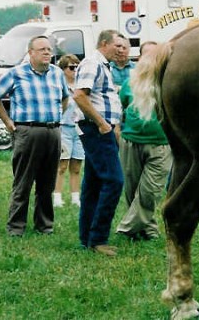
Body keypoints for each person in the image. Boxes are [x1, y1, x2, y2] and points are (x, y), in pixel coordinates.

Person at [0, 35, 69, 237]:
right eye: (42, 49)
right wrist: (7, 121)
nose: (47, 53)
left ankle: (44, 225)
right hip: (27, 131)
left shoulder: (57, 74)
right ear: (30, 53)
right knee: (23, 182)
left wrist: (56, 117)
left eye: (49, 49)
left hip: (52, 131)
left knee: (47, 183)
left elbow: (65, 98)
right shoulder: (16, 74)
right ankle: (16, 227)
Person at [73, 29, 125, 256]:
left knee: (93, 184)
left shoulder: (103, 65)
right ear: (104, 43)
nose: (121, 50)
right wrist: (102, 123)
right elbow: (79, 95)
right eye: (117, 46)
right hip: (95, 129)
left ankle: (87, 238)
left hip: (101, 128)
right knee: (114, 181)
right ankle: (99, 239)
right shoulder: (93, 63)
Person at [116, 41, 173, 240]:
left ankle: (125, 228)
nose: (150, 60)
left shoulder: (169, 82)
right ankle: (148, 231)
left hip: (160, 144)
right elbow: (122, 106)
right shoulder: (129, 83)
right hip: (131, 141)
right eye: (146, 55)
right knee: (132, 191)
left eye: (154, 55)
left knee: (150, 191)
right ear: (139, 59)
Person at [53, 54, 84, 208]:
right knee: (62, 165)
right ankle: (57, 197)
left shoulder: (82, 86)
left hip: (79, 128)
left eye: (77, 67)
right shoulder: (59, 86)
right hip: (64, 127)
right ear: (63, 69)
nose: (75, 70)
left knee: (77, 165)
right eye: (71, 67)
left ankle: (75, 197)